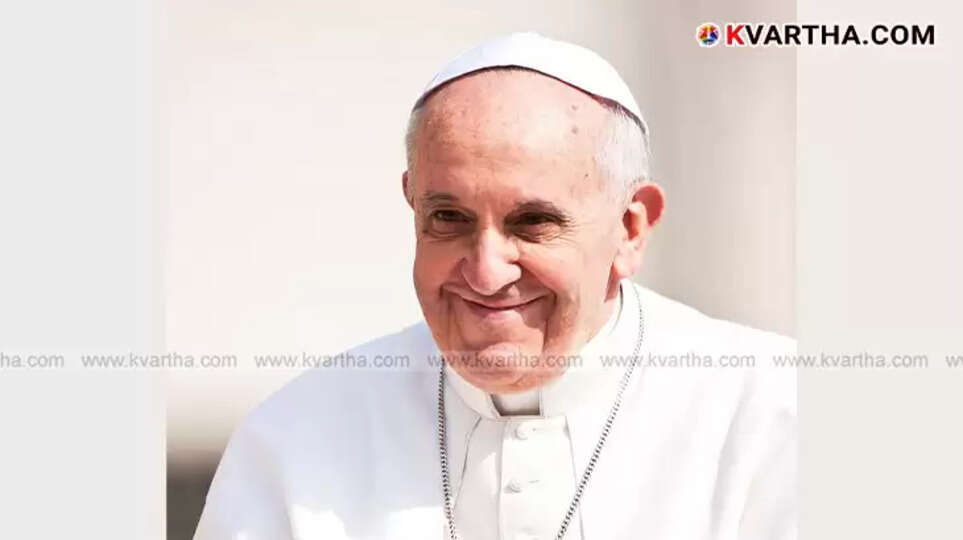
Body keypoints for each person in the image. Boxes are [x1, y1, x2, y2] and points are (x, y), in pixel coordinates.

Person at [194, 32, 796, 540]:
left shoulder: (773, 414)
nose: (485, 272)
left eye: (533, 223)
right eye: (448, 219)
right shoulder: (296, 440)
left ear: (630, 229)